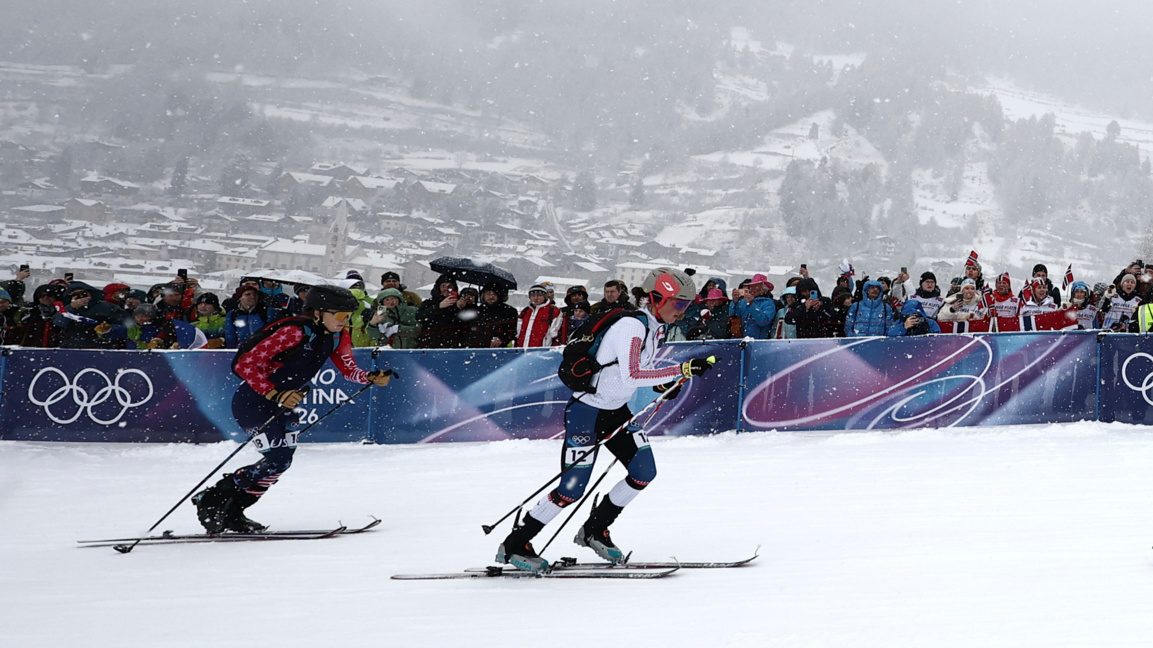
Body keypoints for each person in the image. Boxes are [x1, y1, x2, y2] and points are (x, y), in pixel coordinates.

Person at [496, 268, 713, 572]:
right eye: (678, 303)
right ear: (656, 298)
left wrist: (664, 384)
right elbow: (632, 374)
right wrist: (682, 370)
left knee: (643, 472)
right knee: (571, 489)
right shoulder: (631, 326)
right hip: (587, 413)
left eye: (686, 305)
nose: (682, 310)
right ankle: (515, 544)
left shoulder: (655, 328)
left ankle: (595, 530)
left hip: (616, 412)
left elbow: (632, 373)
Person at [192, 285, 394, 534]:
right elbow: (243, 364)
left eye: (349, 316)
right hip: (254, 403)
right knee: (277, 458)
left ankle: (234, 511)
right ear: (318, 313)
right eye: (340, 315)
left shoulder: (337, 336)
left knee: (281, 462)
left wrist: (369, 376)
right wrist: (274, 393)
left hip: (285, 404)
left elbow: (348, 369)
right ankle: (212, 499)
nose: (345, 321)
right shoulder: (294, 332)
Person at [53, 281, 129, 349]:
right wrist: (71, 308)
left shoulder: (107, 307)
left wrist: (109, 329)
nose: (81, 296)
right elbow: (58, 324)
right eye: (75, 294)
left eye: (83, 293)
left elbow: (127, 325)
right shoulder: (65, 309)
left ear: (90, 292)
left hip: (103, 348)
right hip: (72, 348)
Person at [416, 274, 465, 348]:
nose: (446, 289)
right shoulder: (429, 303)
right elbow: (420, 317)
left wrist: (460, 308)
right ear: (438, 288)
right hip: (430, 344)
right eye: (443, 286)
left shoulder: (459, 303)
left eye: (449, 286)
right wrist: (438, 307)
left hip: (454, 344)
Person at [469, 281, 519, 348]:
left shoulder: (509, 311)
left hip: (501, 349)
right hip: (477, 349)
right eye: (488, 294)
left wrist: (502, 339)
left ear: (499, 295)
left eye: (494, 294)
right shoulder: (476, 311)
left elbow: (512, 331)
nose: (491, 297)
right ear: (483, 295)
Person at [731, 274, 776, 339]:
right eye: (750, 287)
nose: (751, 290)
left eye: (755, 287)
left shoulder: (769, 304)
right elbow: (734, 316)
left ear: (763, 290)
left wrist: (751, 305)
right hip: (743, 341)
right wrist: (734, 302)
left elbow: (763, 322)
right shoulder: (744, 301)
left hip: (759, 342)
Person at [224, 284, 268, 348]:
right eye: (248, 294)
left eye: (255, 294)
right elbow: (230, 336)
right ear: (240, 298)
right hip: (242, 349)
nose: (252, 297)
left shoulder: (266, 311)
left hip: (263, 348)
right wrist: (233, 350)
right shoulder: (232, 314)